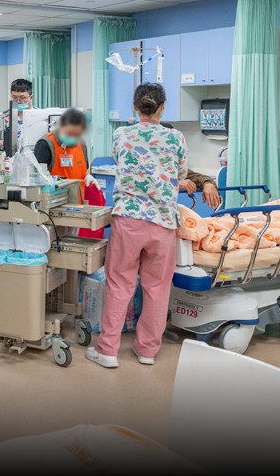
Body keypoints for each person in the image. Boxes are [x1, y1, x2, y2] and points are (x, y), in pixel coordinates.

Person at [86, 83, 187, 369]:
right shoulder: (176, 138)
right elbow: (180, 173)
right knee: (157, 288)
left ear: (134, 106)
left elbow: (121, 160)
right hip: (162, 222)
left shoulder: (122, 134)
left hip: (129, 220)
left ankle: (107, 350)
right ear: (163, 107)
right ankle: (147, 351)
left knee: (119, 284)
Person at [161, 123, 221, 209]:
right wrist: (175, 184)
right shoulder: (144, 165)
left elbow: (196, 177)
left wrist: (208, 183)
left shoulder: (173, 168)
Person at [33, 108, 89, 188]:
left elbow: (85, 169)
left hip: (79, 194)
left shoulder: (81, 144)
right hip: (57, 194)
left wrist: (89, 176)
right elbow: (38, 178)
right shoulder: (45, 144)